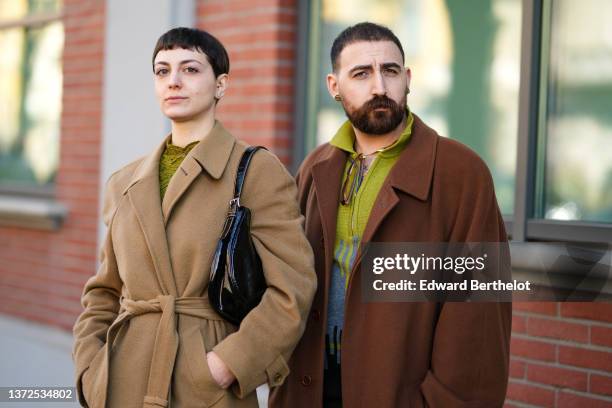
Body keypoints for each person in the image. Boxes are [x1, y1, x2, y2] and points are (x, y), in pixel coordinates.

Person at [72, 27, 317, 408]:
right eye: (162, 71)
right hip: (121, 379)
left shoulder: (254, 170)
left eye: (190, 69)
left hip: (204, 386)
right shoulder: (123, 182)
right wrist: (89, 366)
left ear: (221, 85)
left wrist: (227, 364)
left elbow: (293, 288)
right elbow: (104, 291)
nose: (173, 81)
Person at [270, 22, 511, 408]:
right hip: (311, 386)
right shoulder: (316, 167)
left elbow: (478, 314)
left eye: (391, 71)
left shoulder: (462, 172)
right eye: (361, 74)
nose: (379, 87)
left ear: (408, 78)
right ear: (334, 86)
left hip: (398, 392)